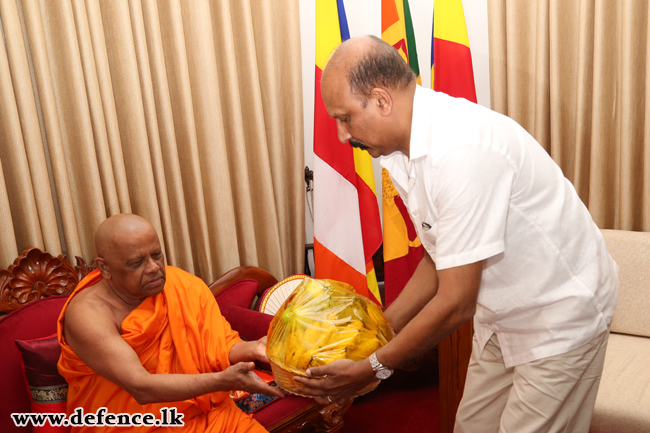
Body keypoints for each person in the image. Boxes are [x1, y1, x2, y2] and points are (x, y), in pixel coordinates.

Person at [294, 35, 619, 433]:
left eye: (344, 117)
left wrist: (372, 368)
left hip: (558, 314)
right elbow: (439, 254)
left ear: (381, 101)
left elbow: (456, 301)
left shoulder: (461, 151)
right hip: (501, 314)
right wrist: (378, 333)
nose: (343, 135)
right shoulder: (400, 147)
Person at [57, 214, 284, 433]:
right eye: (137, 263)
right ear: (104, 267)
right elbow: (140, 386)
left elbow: (220, 347)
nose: (153, 267)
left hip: (209, 417)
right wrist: (222, 381)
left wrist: (254, 348)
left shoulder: (181, 285)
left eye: (157, 255)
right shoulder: (87, 314)